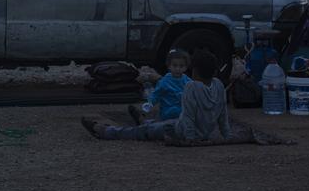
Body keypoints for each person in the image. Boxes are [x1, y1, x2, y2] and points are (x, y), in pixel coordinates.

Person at [83, 49, 230, 143]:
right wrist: (226, 135)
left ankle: (106, 131)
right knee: (157, 125)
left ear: (194, 71)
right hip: (199, 130)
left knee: (141, 132)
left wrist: (190, 139)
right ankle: (143, 120)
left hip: (180, 130)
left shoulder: (191, 86)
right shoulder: (218, 85)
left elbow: (189, 116)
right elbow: (223, 115)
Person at [127, 49, 191, 124]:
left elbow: (195, 91)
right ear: (169, 66)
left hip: (182, 112)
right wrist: (150, 103)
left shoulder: (187, 81)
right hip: (168, 112)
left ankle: (144, 121)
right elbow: (156, 94)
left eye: (181, 66)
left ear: (186, 67)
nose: (177, 69)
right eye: (174, 65)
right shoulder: (164, 81)